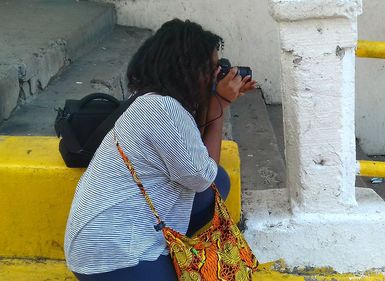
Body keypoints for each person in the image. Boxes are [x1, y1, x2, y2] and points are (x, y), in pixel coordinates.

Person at [64, 19, 256, 281]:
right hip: (113, 255)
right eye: (211, 69)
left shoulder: (154, 102)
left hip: (100, 243)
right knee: (213, 181)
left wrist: (214, 101)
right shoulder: (163, 110)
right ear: (187, 69)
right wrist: (219, 104)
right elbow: (202, 178)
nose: (216, 75)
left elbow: (198, 161)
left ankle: (164, 253)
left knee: (219, 180)